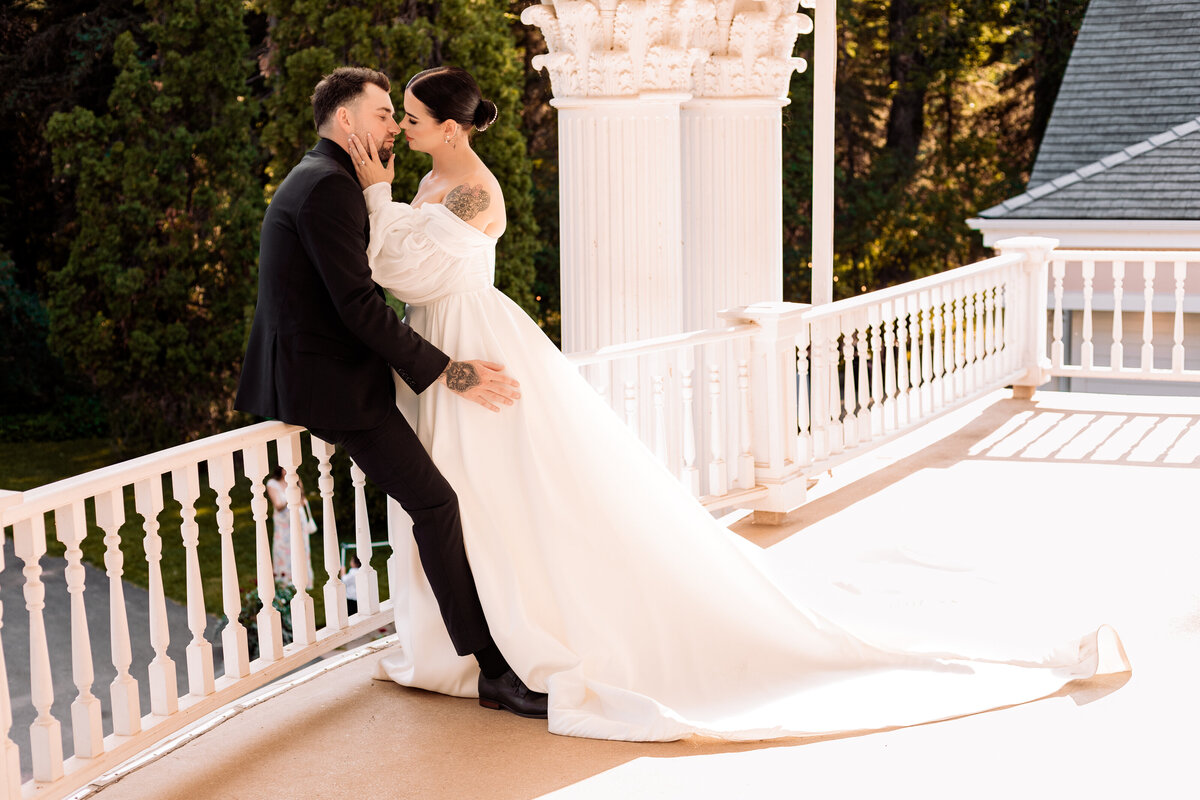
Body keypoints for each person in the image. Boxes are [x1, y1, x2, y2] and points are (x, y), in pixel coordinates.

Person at [346, 64, 1131, 743]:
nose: (401, 132)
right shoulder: (430, 180)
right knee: (462, 494)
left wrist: (376, 199)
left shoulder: (471, 193)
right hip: (444, 343)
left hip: (473, 346)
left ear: (451, 129)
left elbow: (403, 271)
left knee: (500, 490)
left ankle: (518, 637)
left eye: (412, 121)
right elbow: (403, 263)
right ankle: (460, 643)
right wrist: (391, 201)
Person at [234, 67, 547, 718]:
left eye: (403, 117)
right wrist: (451, 372)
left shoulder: (325, 178)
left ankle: (477, 658)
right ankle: (492, 670)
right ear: (347, 122)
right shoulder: (330, 189)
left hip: (344, 370)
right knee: (436, 504)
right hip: (334, 385)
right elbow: (359, 307)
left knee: (438, 502)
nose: (395, 130)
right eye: (385, 115)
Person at [265, 466, 313, 590]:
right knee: (283, 550)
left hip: (298, 519)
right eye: (284, 468)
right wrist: (290, 496)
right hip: (283, 524)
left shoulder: (296, 479)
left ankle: (304, 579)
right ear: (280, 469)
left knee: (302, 548)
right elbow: (278, 505)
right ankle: (285, 581)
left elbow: (302, 499)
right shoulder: (272, 483)